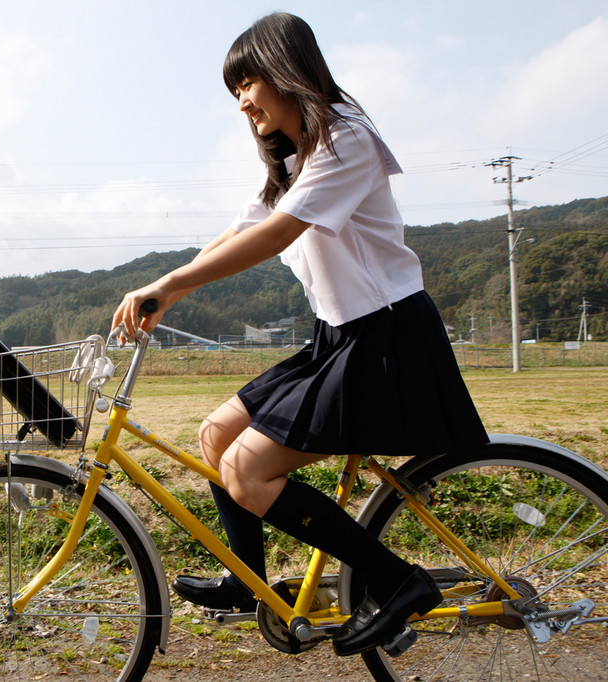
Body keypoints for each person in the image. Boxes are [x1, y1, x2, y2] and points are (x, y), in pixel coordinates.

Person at [112, 12, 489, 656]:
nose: (242, 103)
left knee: (248, 471)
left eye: (247, 82)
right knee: (215, 435)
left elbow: (278, 235)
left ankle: (396, 581)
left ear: (287, 70)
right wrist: (169, 284)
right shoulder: (293, 160)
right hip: (339, 339)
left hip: (387, 342)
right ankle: (249, 581)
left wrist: (169, 288)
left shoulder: (346, 140)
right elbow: (239, 231)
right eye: (234, 92)